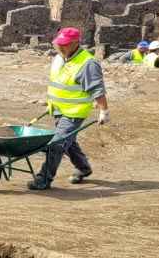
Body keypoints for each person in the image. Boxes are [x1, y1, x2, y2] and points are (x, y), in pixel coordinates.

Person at [28, 27, 109, 191]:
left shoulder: (88, 64)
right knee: (68, 142)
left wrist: (103, 110)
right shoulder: (59, 58)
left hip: (73, 113)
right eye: (59, 44)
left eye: (64, 44)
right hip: (57, 109)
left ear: (76, 43)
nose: (60, 47)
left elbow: (97, 89)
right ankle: (83, 168)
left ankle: (43, 179)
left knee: (57, 144)